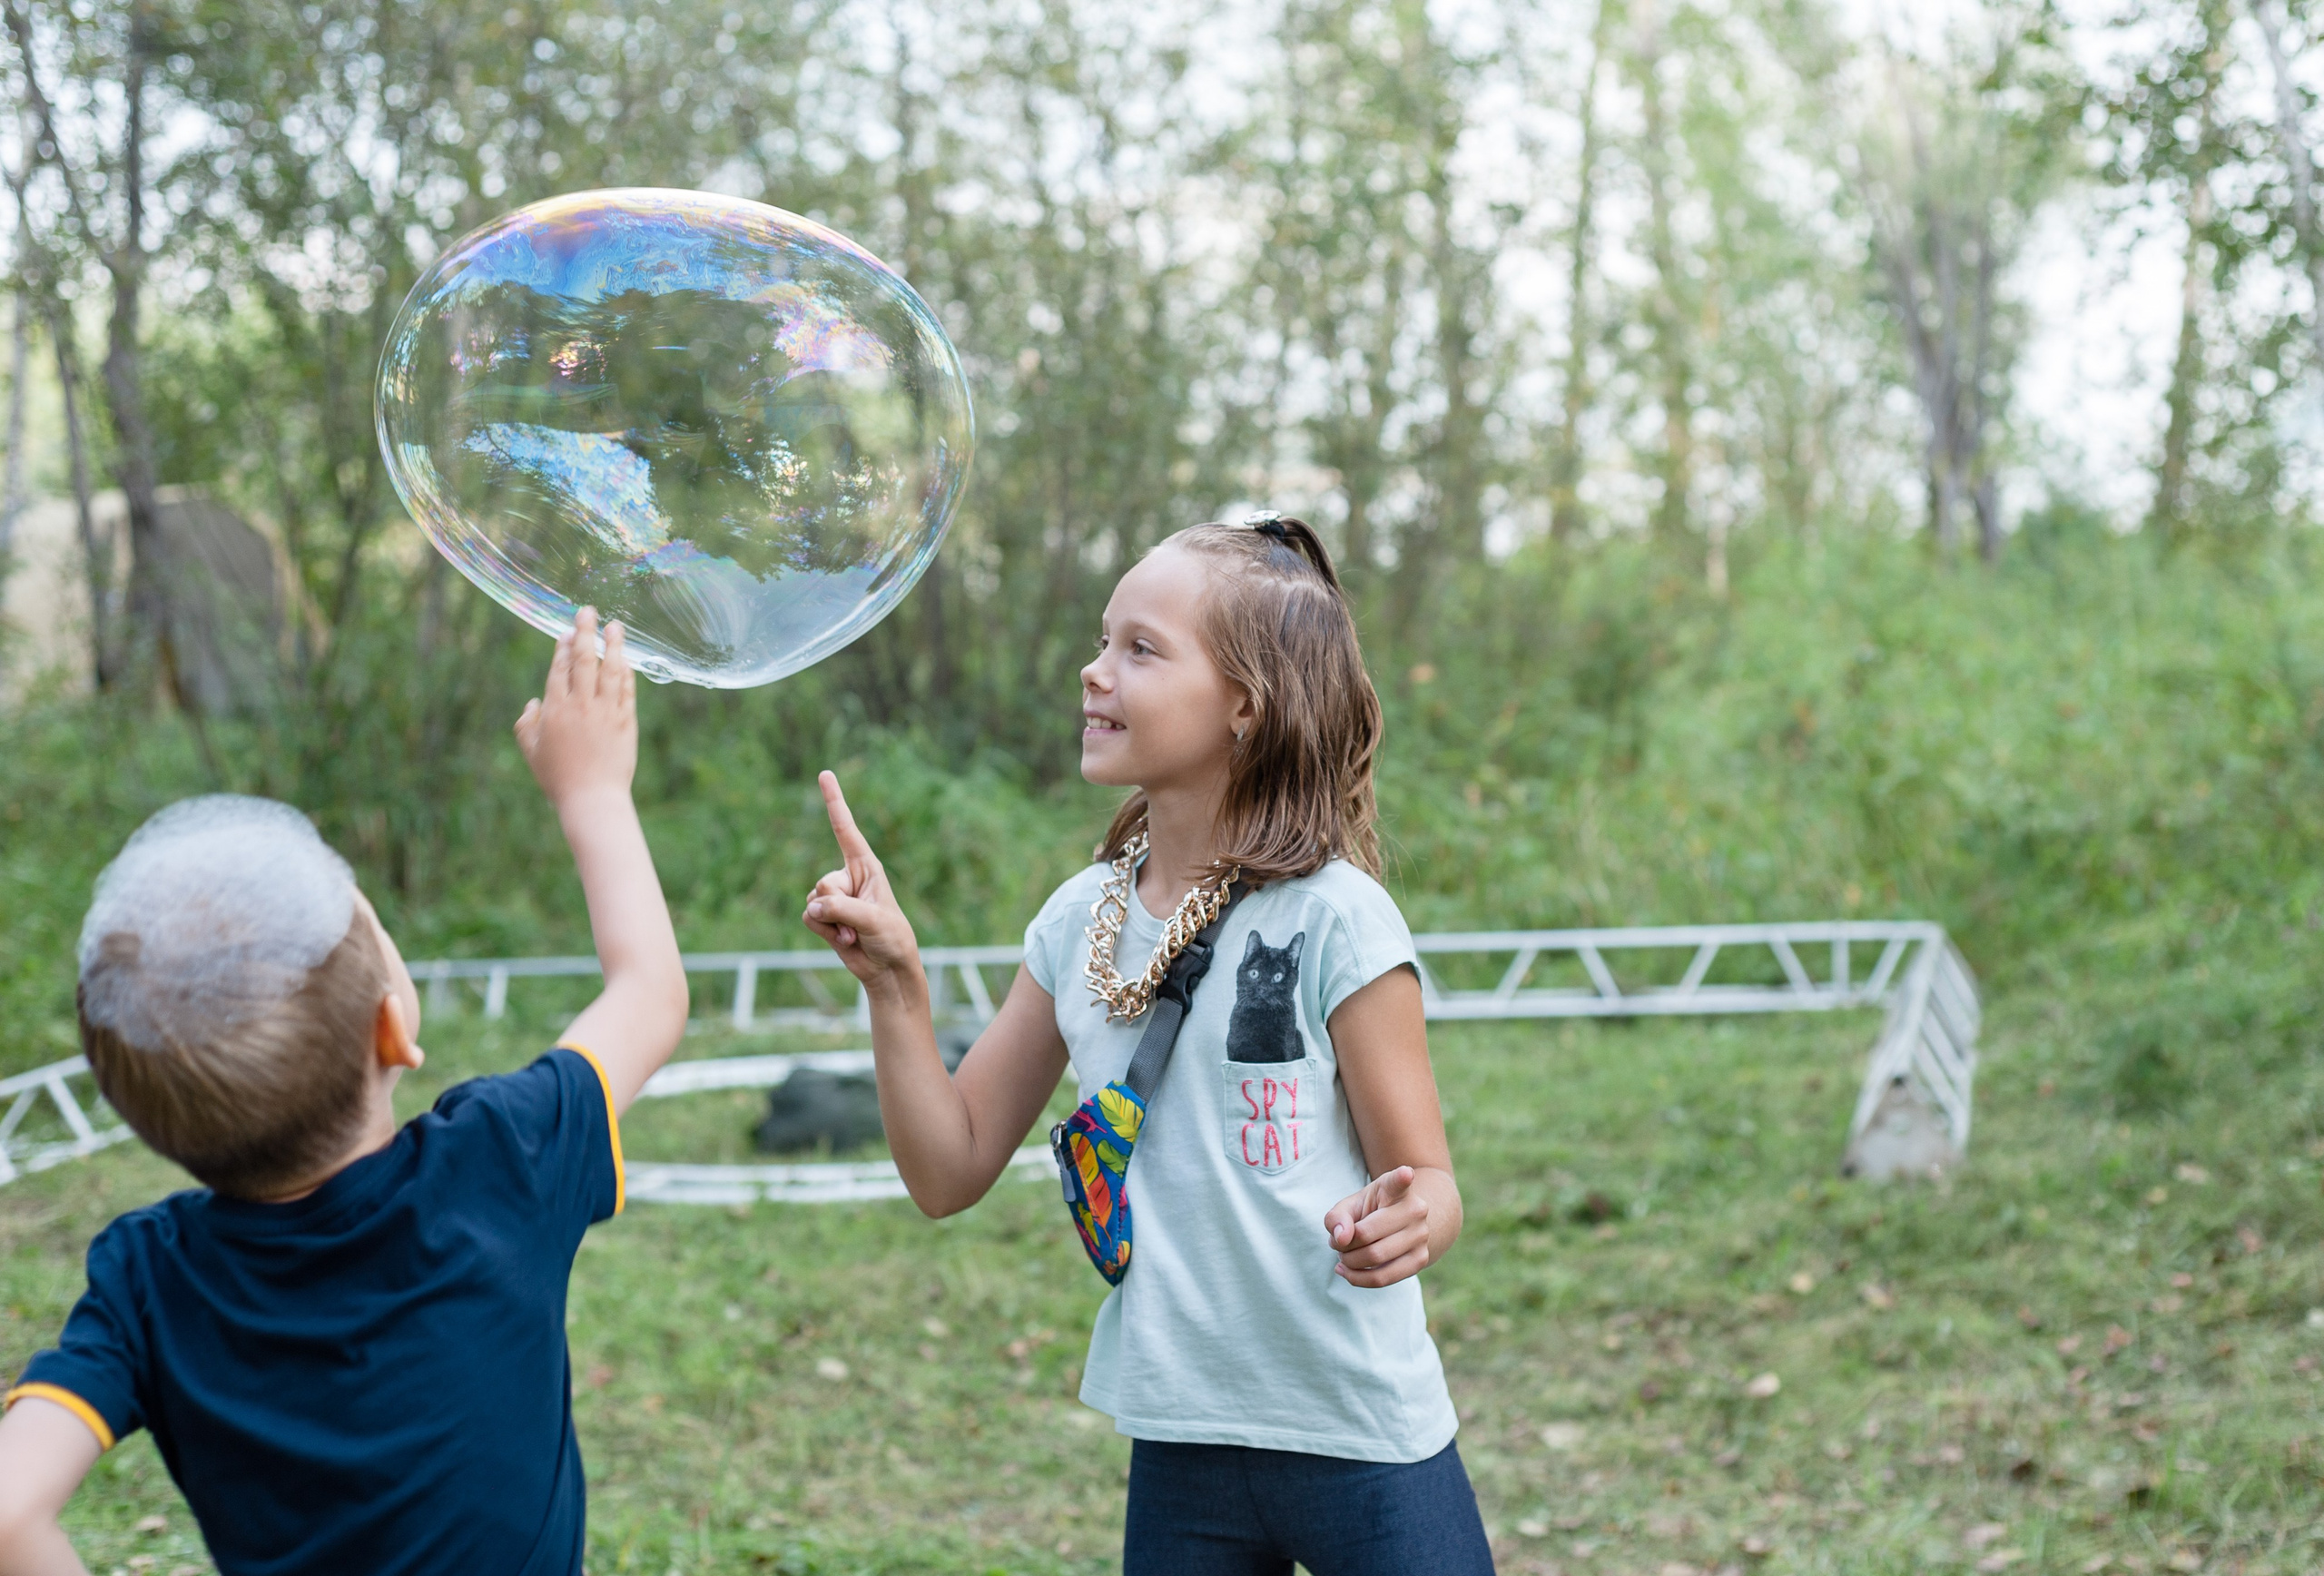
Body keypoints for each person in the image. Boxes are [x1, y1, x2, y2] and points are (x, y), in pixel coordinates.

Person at [802, 516, 1495, 1575]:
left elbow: (1431, 1180)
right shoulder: (1075, 919)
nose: (1093, 671)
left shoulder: (1337, 921)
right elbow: (948, 1167)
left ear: (1244, 709)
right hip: (1181, 1440)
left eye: (1140, 648)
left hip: (1358, 1433)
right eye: (1100, 639)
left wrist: (1410, 1220)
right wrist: (896, 984)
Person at [0, 609, 686, 1576]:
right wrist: (592, 790)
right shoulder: (500, 1158)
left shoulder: (146, 1278)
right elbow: (650, 992)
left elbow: (9, 1511)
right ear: (392, 1028)